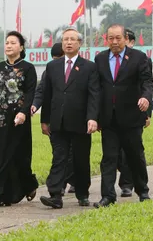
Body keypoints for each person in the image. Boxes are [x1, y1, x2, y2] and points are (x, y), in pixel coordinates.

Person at [39, 28, 100, 209]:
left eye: (72, 39)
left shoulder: (89, 67)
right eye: (65, 39)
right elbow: (47, 94)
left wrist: (92, 118)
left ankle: (82, 193)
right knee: (59, 158)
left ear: (79, 44)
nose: (68, 43)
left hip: (81, 123)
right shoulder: (52, 66)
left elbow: (94, 95)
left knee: (81, 159)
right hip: (58, 122)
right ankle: (55, 195)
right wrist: (45, 120)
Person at [94, 24, 153, 208]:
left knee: (135, 155)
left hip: (132, 117)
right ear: (107, 39)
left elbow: (147, 82)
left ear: (125, 38)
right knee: (109, 158)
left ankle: (143, 191)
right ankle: (108, 196)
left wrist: (145, 98)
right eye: (111, 38)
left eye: (118, 38)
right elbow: (97, 89)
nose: (114, 42)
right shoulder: (100, 59)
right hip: (109, 119)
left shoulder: (138, 57)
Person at [0, 31, 38, 207]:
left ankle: (26, 185)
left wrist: (23, 112)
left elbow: (30, 93)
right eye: (7, 43)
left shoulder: (28, 68)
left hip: (18, 118)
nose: (9, 45)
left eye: (13, 43)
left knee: (16, 155)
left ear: (21, 47)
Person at [30, 43, 75, 195]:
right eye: (55, 59)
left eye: (60, 58)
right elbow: (41, 92)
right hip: (56, 120)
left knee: (74, 153)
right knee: (59, 154)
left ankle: (75, 181)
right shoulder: (50, 71)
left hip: (75, 120)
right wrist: (35, 106)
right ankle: (59, 186)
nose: (57, 61)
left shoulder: (79, 69)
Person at [117, 29, 153, 196]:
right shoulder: (108, 59)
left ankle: (128, 184)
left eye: (123, 39)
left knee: (132, 150)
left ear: (130, 42)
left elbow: (146, 86)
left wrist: (145, 113)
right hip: (113, 114)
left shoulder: (142, 59)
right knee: (116, 152)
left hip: (135, 112)